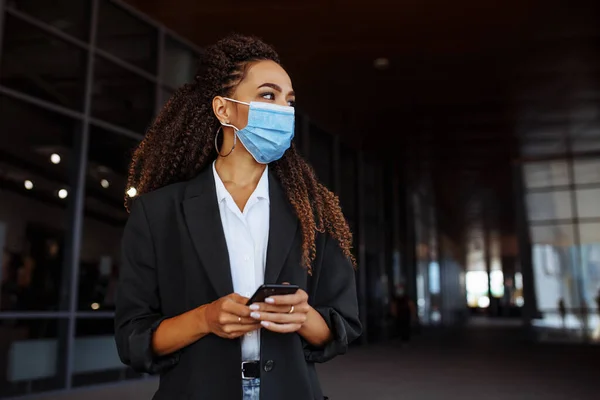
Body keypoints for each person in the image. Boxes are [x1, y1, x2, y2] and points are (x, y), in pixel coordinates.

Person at [114, 34, 361, 400]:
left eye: (288, 100)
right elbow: (133, 339)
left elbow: (342, 326)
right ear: (223, 109)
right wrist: (204, 319)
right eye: (267, 95)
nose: (282, 109)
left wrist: (304, 317)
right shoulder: (158, 213)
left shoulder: (314, 212)